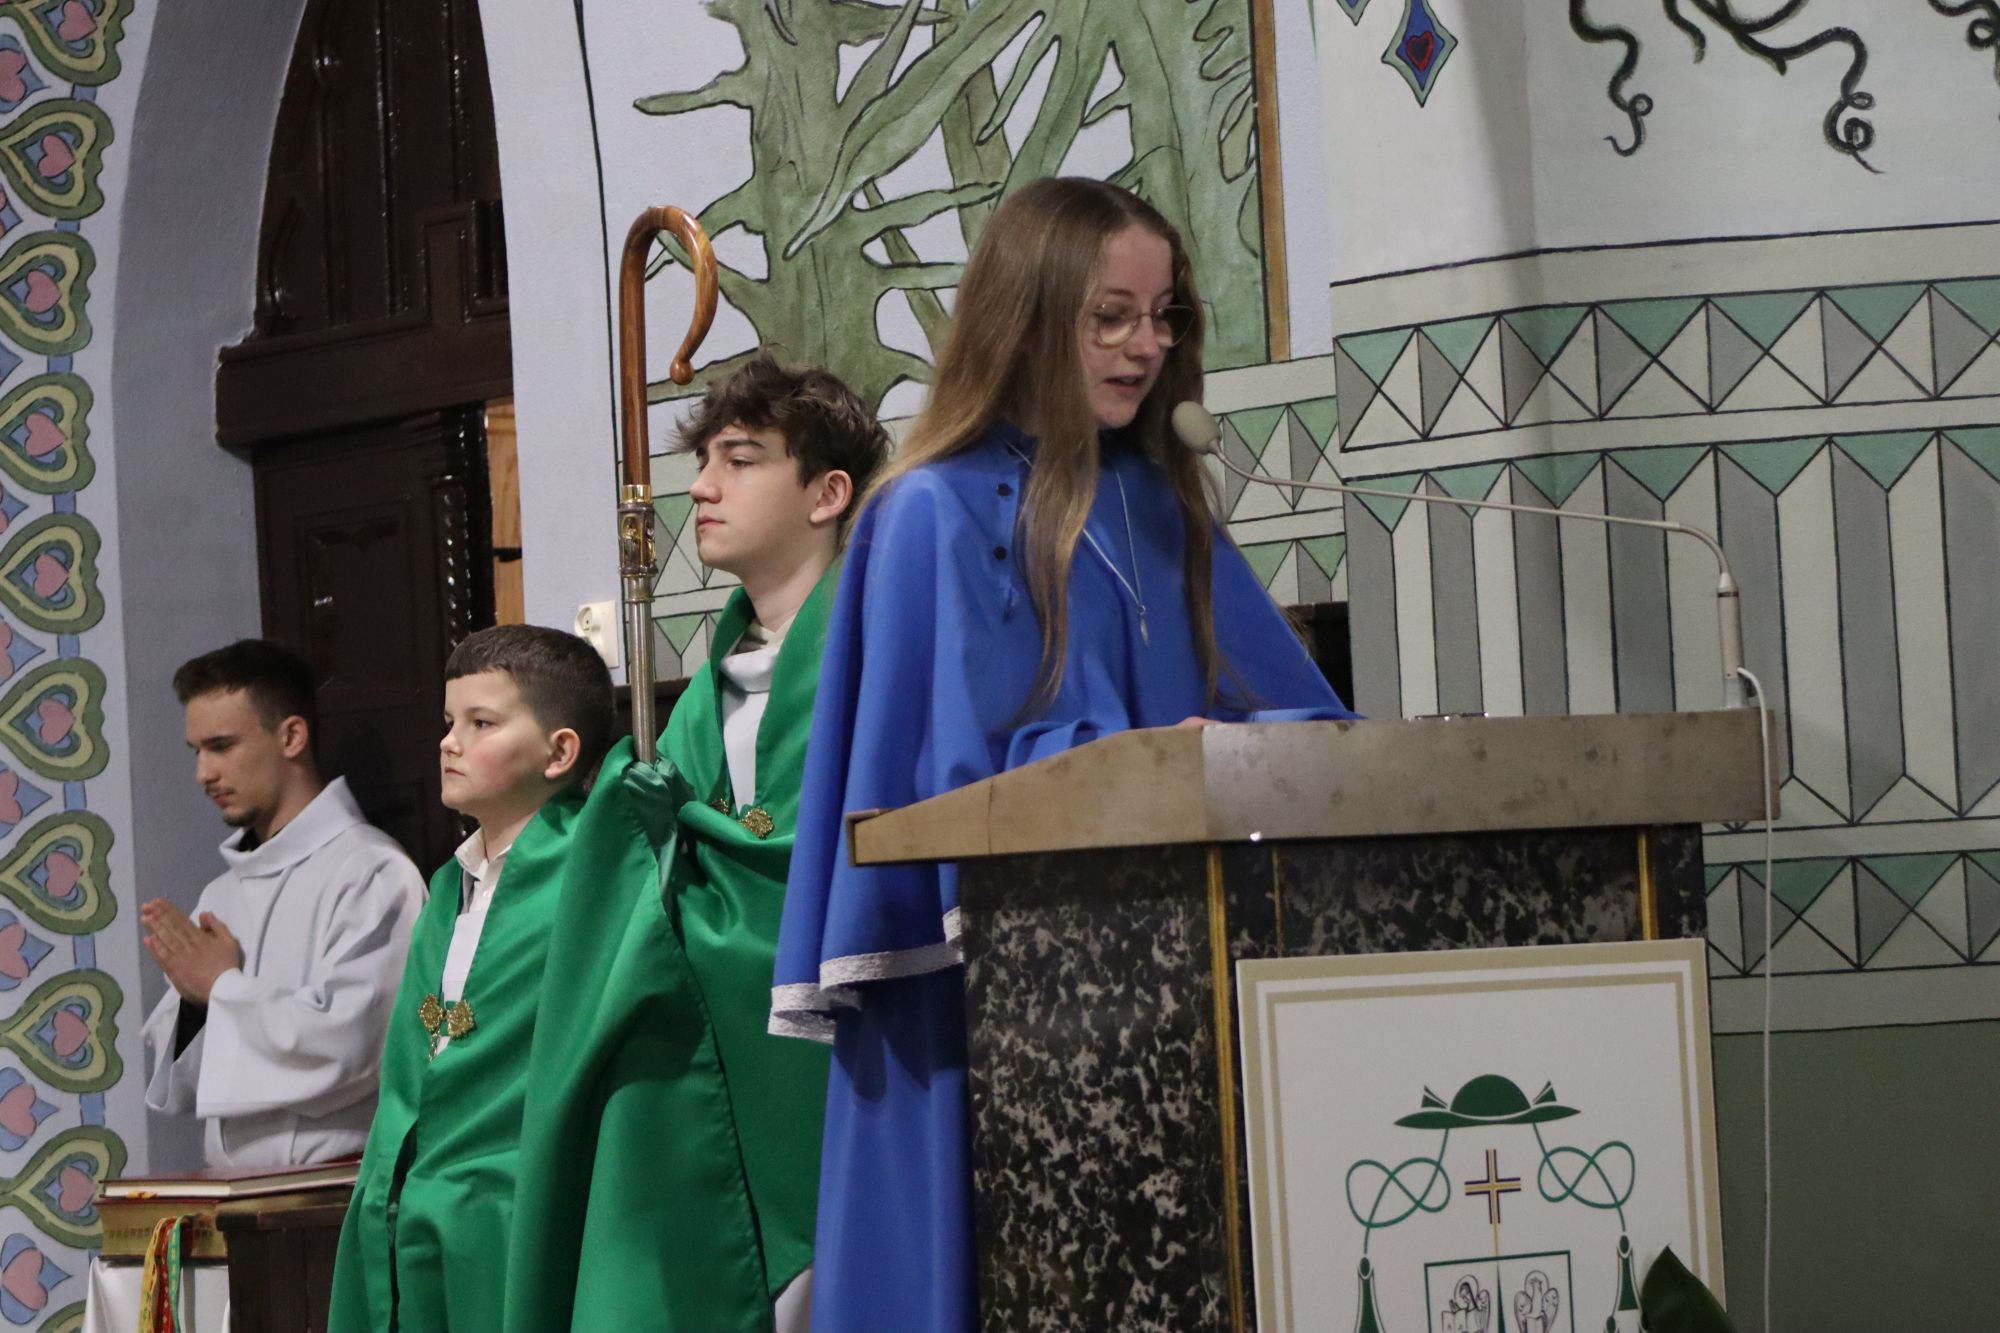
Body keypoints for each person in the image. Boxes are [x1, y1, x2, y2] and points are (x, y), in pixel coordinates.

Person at [771, 175, 1359, 1331]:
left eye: (1163, 315)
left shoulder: (1161, 506)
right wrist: (1140, 757)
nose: (1146, 345)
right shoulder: (927, 511)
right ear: (1028, 315)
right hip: (981, 1005)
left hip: (1173, 985)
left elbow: (1300, 719)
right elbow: (950, 782)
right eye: (1110, 316)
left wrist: (1226, 749)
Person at [332, 627, 770, 1332]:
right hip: (416, 1212)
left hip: (522, 1213)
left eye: (481, 723)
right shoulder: (446, 888)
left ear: (559, 751)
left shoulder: (597, 879)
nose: (449, 743)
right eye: (448, 721)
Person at [659, 355, 888, 1327]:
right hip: (717, 1074)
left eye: (739, 459)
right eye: (702, 461)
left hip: (851, 1053)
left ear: (826, 494)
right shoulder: (699, 695)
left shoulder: (877, 649)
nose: (701, 487)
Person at [141, 640, 423, 1169]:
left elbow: (355, 1045)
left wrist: (221, 987)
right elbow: (186, 1082)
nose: (203, 774)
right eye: (197, 751)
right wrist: (196, 1004)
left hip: (333, 1190)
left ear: (291, 736)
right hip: (235, 1192)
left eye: (220, 746)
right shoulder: (220, 894)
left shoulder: (372, 873)